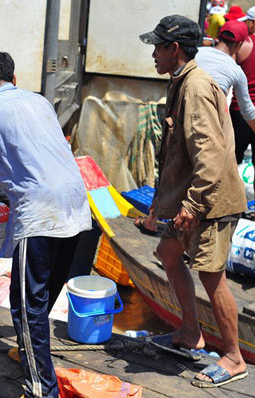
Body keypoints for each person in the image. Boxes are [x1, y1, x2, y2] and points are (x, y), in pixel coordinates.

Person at [0, 51, 91, 398]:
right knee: (36, 295)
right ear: (15, 78)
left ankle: (42, 388)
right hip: (76, 206)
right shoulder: (40, 102)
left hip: (40, 214)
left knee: (28, 306)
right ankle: (30, 354)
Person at [140, 15, 248, 388]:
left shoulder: (196, 87)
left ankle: (233, 357)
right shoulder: (183, 81)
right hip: (196, 199)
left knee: (211, 275)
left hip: (210, 201)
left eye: (157, 46)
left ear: (174, 49)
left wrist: (193, 206)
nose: (152, 53)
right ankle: (190, 332)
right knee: (169, 253)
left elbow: (210, 154)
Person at [233, 7, 255, 164]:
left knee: (231, 163)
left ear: (253, 23)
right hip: (243, 111)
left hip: (241, 111)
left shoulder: (245, 44)